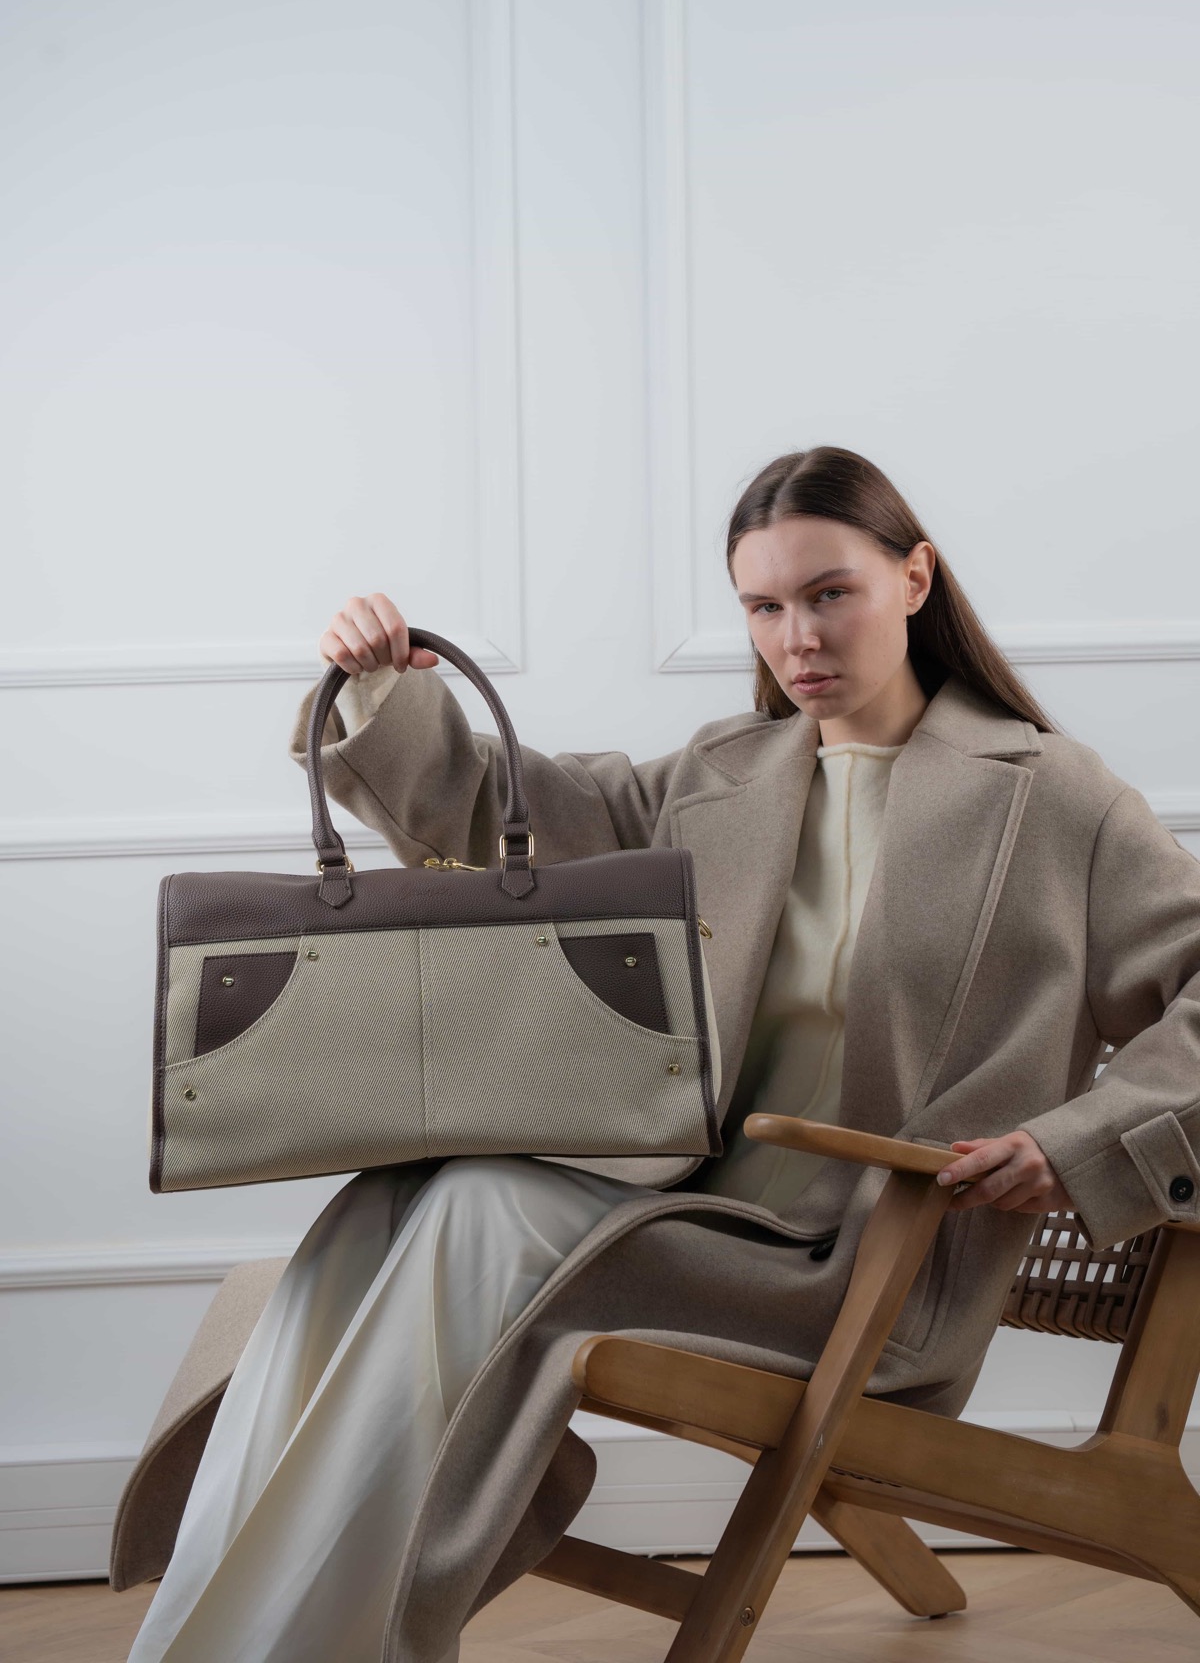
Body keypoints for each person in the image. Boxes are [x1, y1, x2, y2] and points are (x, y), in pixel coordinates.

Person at [124, 445, 1198, 1661]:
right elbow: (505, 819)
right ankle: (218, 1639)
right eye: (764, 606)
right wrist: (383, 691)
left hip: (865, 1266)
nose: (798, 638)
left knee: (477, 1208)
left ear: (914, 578)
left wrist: (1078, 1145)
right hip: (681, 1212)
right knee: (382, 1207)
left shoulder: (1053, 797)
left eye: (831, 594)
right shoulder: (722, 776)